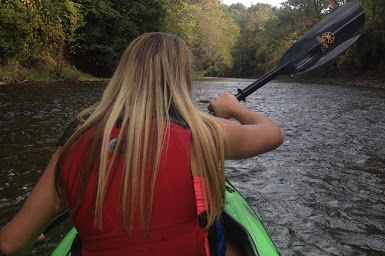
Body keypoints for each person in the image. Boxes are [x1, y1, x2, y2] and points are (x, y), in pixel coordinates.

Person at [0, 32, 284, 256]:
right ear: (181, 80)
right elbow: (272, 133)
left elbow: (10, 245)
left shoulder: (75, 140)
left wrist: (28, 239)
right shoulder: (203, 134)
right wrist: (234, 108)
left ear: (125, 76)